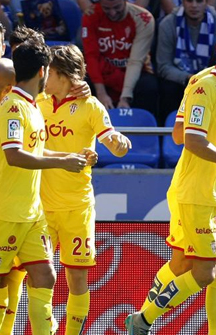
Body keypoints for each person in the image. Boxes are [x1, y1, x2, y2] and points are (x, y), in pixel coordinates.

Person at [126, 33, 216, 335]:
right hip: (197, 193)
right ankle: (142, 319)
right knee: (200, 270)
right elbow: (189, 139)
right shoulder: (205, 86)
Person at [0, 41, 90, 335]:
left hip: (31, 213)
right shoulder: (13, 108)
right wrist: (61, 164)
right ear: (42, 71)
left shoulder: (32, 107)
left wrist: (68, 156)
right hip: (2, 213)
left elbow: (37, 149)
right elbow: (14, 156)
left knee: (45, 276)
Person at [39, 44, 132, 335]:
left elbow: (113, 142)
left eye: (49, 72)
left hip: (76, 206)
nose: (43, 77)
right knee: (39, 276)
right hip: (38, 205)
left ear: (63, 75)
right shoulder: (36, 101)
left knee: (76, 277)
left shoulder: (91, 106)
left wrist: (119, 143)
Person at [81, 0, 158, 112]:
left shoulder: (144, 18)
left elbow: (135, 61)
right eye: (107, 8)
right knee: (82, 82)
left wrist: (125, 97)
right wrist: (101, 93)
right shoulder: (91, 15)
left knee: (149, 86)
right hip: (104, 73)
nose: (112, 13)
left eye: (117, 7)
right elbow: (92, 56)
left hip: (133, 72)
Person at [156, 0, 216, 116]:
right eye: (189, 1)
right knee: (167, 88)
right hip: (180, 80)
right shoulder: (168, 24)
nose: (194, 6)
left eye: (199, 1)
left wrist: (206, 79)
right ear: (182, 2)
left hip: (211, 80)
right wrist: (188, 78)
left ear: (206, 2)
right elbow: (163, 66)